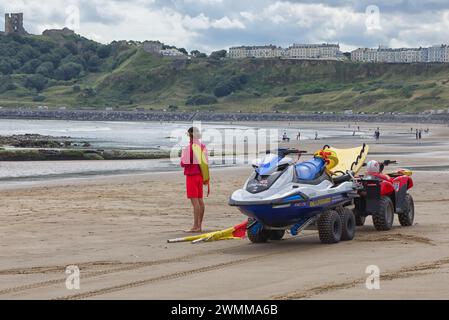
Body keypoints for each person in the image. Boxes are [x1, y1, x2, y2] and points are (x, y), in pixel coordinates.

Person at [180, 127, 210, 233]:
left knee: (195, 202)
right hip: (200, 176)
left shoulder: (189, 148)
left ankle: (195, 226)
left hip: (192, 176)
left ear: (189, 134)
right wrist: (207, 179)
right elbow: (206, 163)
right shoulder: (202, 147)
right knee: (200, 201)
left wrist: (182, 157)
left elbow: (184, 163)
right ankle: (199, 226)